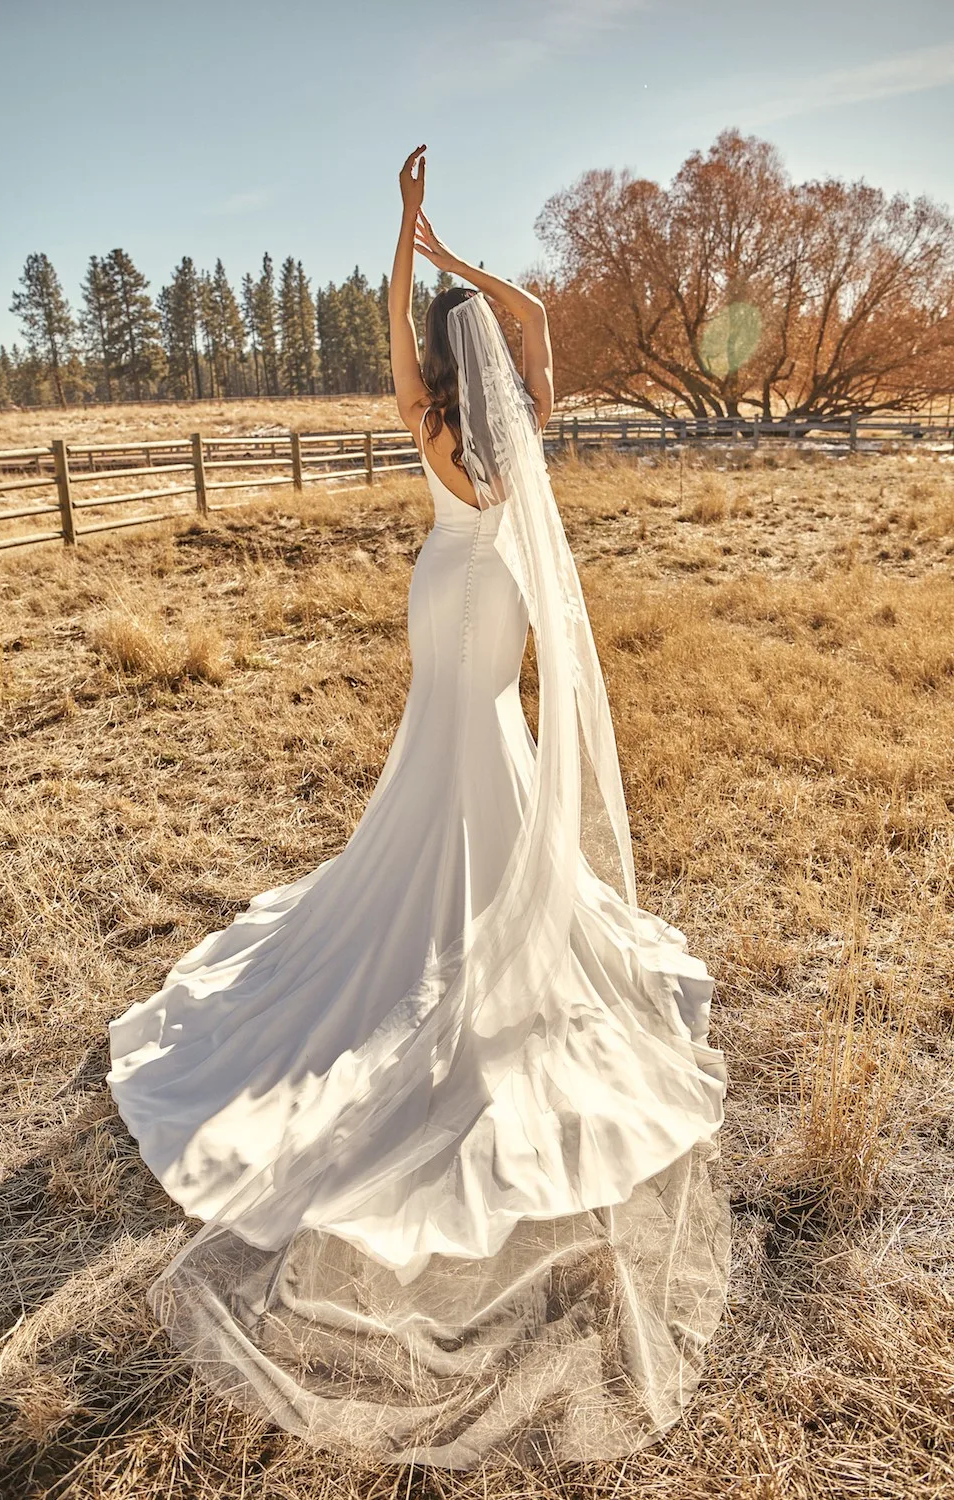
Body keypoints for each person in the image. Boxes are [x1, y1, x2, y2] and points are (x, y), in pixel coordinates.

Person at [106, 144, 730, 1470]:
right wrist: (462, 263)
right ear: (494, 353)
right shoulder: (525, 423)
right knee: (487, 740)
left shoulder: (433, 425)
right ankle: (493, 922)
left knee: (449, 746)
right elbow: (544, 323)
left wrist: (402, 240)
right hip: (493, 595)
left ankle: (445, 915)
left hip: (445, 586)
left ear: (443, 363)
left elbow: (401, 335)